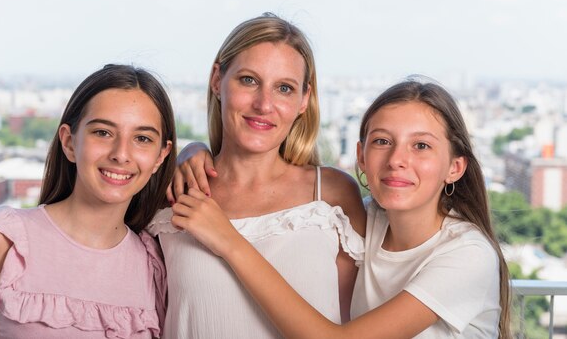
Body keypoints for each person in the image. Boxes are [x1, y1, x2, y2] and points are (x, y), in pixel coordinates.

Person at [172, 79, 512, 338]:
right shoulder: (360, 219)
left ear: (455, 167)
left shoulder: (469, 255)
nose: (397, 160)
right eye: (382, 142)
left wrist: (229, 242)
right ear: (361, 156)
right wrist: (195, 152)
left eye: (421, 145)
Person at [148, 13, 366, 339]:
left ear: (304, 100)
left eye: (284, 88)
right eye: (249, 80)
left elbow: (355, 320)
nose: (265, 104)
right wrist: (187, 152)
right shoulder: (174, 192)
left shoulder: (333, 194)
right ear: (217, 80)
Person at [0, 64, 176, 339]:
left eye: (142, 138)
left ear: (161, 156)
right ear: (68, 142)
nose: (121, 154)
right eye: (103, 132)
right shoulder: (0, 239)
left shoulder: (155, 265)